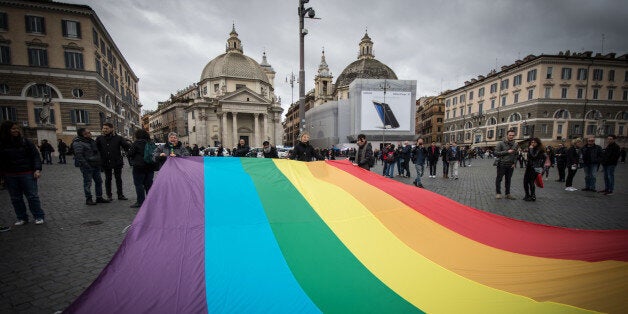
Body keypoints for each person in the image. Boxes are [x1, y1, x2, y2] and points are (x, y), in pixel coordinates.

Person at [0, 121, 46, 225]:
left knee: (32, 196)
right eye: (13, 129)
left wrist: (37, 169)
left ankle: (38, 216)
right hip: (10, 174)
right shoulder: (2, 144)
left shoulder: (25, 141)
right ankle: (22, 217)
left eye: (17, 128)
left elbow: (35, 156)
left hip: (27, 173)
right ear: (6, 130)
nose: (16, 131)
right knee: (15, 198)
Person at [73, 128, 110, 205]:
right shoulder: (78, 143)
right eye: (88, 132)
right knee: (88, 183)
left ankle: (99, 197)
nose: (90, 134)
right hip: (87, 166)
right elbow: (79, 156)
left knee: (99, 182)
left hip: (96, 165)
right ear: (84, 134)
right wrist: (86, 166)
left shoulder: (91, 141)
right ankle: (88, 199)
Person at [96, 123, 131, 201]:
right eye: (103, 128)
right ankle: (109, 195)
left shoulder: (118, 138)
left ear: (112, 129)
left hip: (117, 161)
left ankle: (120, 194)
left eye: (106, 128)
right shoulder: (99, 138)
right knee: (108, 179)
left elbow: (126, 146)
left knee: (118, 179)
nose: (104, 130)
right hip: (105, 161)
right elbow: (96, 149)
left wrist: (130, 144)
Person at [126, 129, 156, 208]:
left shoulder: (136, 143)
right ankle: (151, 201)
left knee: (139, 184)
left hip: (139, 167)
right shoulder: (151, 142)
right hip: (150, 167)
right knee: (149, 185)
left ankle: (140, 202)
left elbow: (130, 153)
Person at [494, 129, 517, 200]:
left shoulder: (515, 144)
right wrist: (507, 152)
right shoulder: (500, 143)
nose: (511, 137)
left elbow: (516, 154)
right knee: (499, 179)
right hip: (501, 164)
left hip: (510, 165)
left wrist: (514, 163)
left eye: (513, 135)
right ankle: (498, 193)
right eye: (510, 135)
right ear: (507, 135)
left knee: (508, 180)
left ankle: (507, 194)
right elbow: (496, 153)